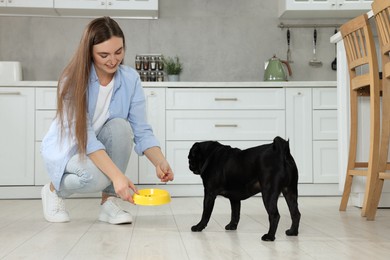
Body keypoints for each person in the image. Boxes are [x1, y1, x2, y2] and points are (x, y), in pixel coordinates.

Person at [40, 16, 174, 224]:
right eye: (104, 54)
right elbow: (86, 137)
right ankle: (52, 190)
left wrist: (160, 161)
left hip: (97, 146)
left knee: (121, 127)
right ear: (89, 53)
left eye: (118, 52)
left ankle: (108, 204)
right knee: (99, 177)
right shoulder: (72, 79)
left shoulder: (130, 79)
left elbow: (141, 130)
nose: (113, 60)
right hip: (70, 148)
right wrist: (117, 177)